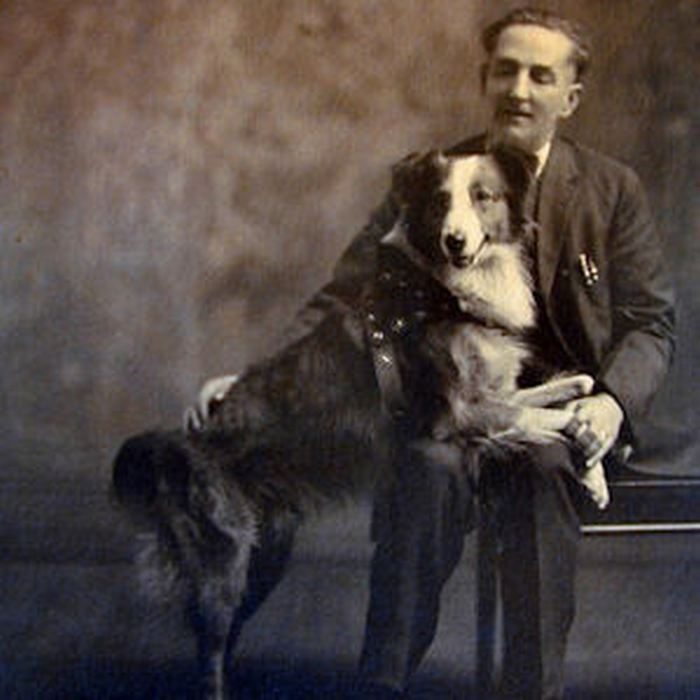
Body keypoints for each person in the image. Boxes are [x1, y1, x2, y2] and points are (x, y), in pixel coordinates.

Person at [190, 8, 675, 699]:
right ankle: (382, 683)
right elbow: (346, 294)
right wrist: (259, 381)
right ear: (484, 80)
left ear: (571, 97)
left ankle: (532, 692)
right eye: (506, 71)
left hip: (559, 418)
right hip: (443, 407)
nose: (519, 90)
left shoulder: (611, 189)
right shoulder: (435, 178)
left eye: (541, 76)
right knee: (425, 466)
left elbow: (652, 322)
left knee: (541, 471)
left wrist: (613, 403)